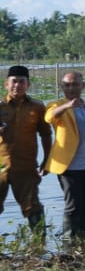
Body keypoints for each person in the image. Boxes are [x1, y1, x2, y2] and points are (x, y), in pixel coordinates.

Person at [43, 71, 85, 246]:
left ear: (83, 86)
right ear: (61, 87)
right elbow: (49, 117)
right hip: (69, 166)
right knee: (72, 206)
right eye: (66, 85)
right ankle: (69, 244)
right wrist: (67, 106)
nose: (70, 88)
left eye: (74, 84)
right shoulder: (56, 105)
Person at [0, 65, 50, 233]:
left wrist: (47, 159)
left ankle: (39, 246)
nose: (17, 86)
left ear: (28, 84)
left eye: (22, 82)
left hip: (26, 167)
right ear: (6, 84)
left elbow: (45, 134)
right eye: (14, 82)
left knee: (33, 207)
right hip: (1, 167)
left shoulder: (37, 107)